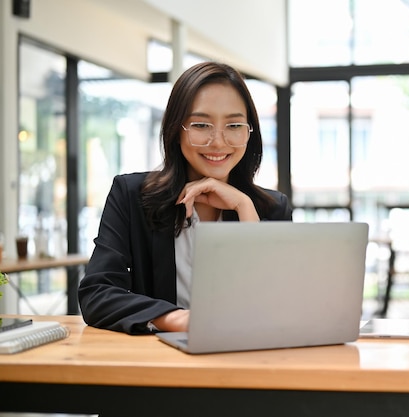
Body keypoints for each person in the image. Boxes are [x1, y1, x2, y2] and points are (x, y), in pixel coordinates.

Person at [78, 62, 293, 335]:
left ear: (249, 132)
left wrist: (245, 210)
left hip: (246, 362)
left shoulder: (271, 208)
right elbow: (96, 294)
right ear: (176, 130)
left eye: (234, 125)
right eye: (201, 124)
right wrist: (178, 320)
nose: (218, 141)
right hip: (160, 363)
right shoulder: (131, 195)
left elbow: (281, 307)